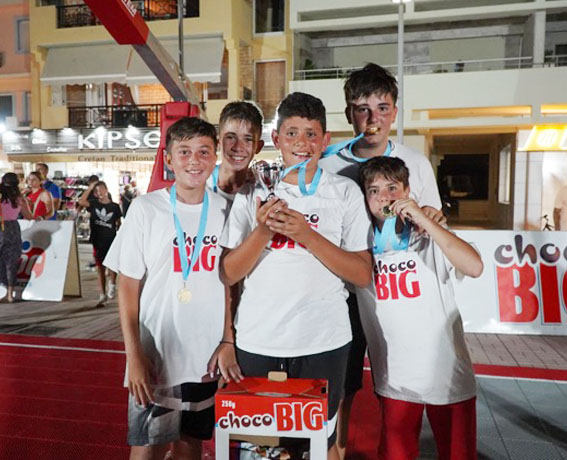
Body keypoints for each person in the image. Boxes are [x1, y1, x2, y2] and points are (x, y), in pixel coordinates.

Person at [219, 92, 373, 460]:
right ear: (276, 139)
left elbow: (362, 274)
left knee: (318, 445)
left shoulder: (344, 192)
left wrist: (306, 234)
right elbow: (228, 273)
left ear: (325, 139)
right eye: (291, 133)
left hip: (324, 341)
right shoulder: (253, 192)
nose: (301, 143)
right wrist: (263, 231)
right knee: (260, 446)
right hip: (259, 340)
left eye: (310, 134)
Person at [318, 62, 444, 458]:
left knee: (398, 386)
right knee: (344, 386)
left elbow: (434, 220)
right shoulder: (328, 165)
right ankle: (337, 452)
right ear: (349, 114)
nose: (373, 119)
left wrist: (432, 218)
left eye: (383, 108)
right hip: (346, 293)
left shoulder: (416, 164)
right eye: (363, 109)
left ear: (395, 112)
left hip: (397, 294)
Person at [103, 117, 234, 460]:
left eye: (204, 151)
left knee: (190, 446)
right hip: (156, 354)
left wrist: (227, 339)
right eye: (184, 151)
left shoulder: (226, 209)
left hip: (205, 356)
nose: (194, 160)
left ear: (215, 157)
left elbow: (230, 284)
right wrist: (133, 354)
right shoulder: (146, 209)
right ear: (169, 159)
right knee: (147, 450)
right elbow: (127, 286)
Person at [357, 156, 482, 460]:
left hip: (448, 374)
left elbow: (474, 266)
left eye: (392, 187)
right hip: (395, 379)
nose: (384, 197)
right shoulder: (360, 244)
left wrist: (427, 220)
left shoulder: (430, 234)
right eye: (374, 190)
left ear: (408, 191)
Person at [207, 101, 264, 201]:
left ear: (258, 147)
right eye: (230, 137)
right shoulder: (199, 183)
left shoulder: (263, 190)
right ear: (218, 142)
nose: (238, 147)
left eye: (248, 139)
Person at [78, 181, 121, 305]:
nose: (99, 192)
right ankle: (102, 294)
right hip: (97, 240)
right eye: (96, 191)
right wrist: (89, 188)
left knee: (112, 265)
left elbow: (118, 223)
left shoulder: (114, 207)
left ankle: (112, 284)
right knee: (100, 267)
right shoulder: (94, 204)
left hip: (111, 239)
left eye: (101, 189)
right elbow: (81, 201)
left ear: (106, 190)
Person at [0, 173, 33, 303]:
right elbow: (29, 216)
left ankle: (1, 291)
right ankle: (10, 294)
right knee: (11, 263)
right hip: (13, 229)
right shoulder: (19, 198)